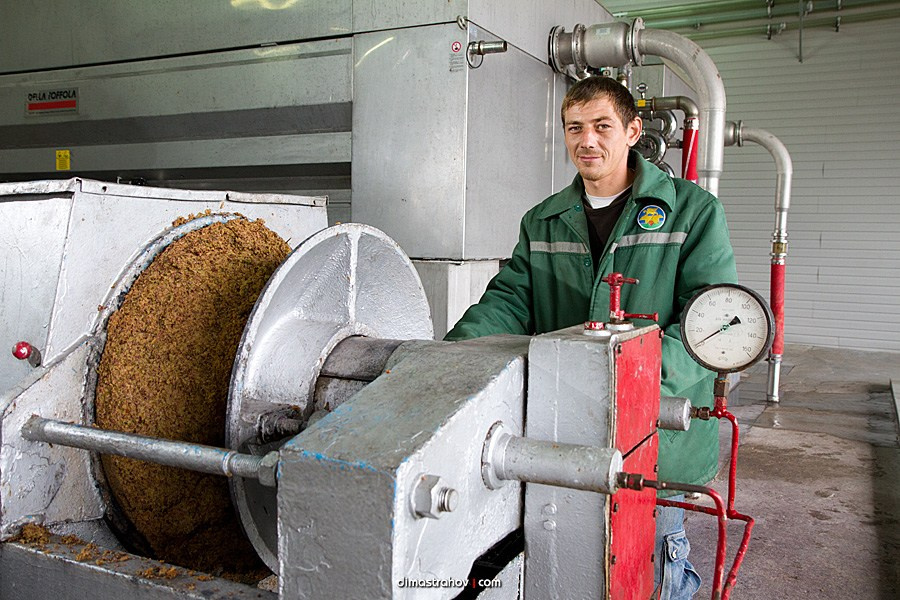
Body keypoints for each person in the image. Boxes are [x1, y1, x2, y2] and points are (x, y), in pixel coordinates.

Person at [444, 75, 737, 599]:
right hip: (566, 426)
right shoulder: (544, 220)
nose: (587, 140)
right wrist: (451, 358)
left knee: (649, 567)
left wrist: (628, 383)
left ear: (633, 131)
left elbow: (710, 323)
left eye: (602, 126)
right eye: (575, 128)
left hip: (655, 438)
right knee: (568, 561)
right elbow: (510, 301)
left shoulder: (692, 212)